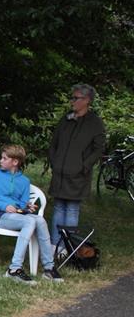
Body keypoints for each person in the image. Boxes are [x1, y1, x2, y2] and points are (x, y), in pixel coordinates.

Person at [0, 144, 64, 285]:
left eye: (4, 158)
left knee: (40, 220)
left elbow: (21, 204)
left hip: (16, 216)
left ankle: (49, 268)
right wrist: (4, 206)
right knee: (29, 221)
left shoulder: (24, 181)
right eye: (1, 158)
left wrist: (27, 207)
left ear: (15, 162)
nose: (0, 160)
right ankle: (14, 269)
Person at [47, 83, 106, 246]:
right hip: (60, 172)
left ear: (87, 100)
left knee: (72, 210)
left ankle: (67, 248)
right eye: (72, 97)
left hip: (78, 175)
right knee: (58, 208)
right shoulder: (66, 119)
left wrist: (84, 166)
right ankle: (55, 246)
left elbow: (99, 149)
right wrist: (54, 162)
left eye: (76, 98)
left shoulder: (95, 123)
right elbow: (54, 143)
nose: (72, 101)